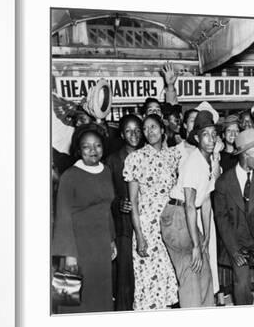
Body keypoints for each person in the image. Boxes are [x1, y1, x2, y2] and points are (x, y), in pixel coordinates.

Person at [160, 110, 223, 307]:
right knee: (190, 270)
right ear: (196, 138)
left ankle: (206, 318)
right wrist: (196, 245)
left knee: (204, 269)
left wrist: (206, 239)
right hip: (177, 216)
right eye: (206, 135)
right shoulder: (193, 162)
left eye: (214, 134)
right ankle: (191, 325)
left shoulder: (209, 161)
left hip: (187, 216)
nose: (211, 139)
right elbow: (189, 204)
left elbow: (205, 202)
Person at [52, 126, 117, 313]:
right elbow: (63, 220)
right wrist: (67, 259)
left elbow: (107, 208)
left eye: (97, 146)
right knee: (72, 301)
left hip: (101, 249)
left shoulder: (106, 171)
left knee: (100, 298)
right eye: (86, 147)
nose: (93, 151)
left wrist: (112, 240)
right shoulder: (69, 176)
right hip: (76, 248)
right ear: (78, 150)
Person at [214, 128, 254, 305]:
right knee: (241, 284)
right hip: (237, 244)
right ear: (244, 155)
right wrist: (234, 251)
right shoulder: (223, 183)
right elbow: (222, 221)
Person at [123, 114, 180, 310]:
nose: (149, 132)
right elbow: (133, 200)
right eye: (145, 129)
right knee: (149, 287)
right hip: (147, 228)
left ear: (163, 129)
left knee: (168, 282)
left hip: (170, 226)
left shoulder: (173, 155)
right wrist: (139, 234)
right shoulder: (135, 158)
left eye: (153, 127)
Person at [106, 114, 143, 311]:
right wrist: (119, 203)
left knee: (144, 276)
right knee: (125, 277)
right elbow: (105, 194)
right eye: (128, 131)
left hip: (146, 227)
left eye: (137, 130)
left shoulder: (148, 155)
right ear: (121, 134)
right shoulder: (113, 160)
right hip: (124, 227)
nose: (133, 134)